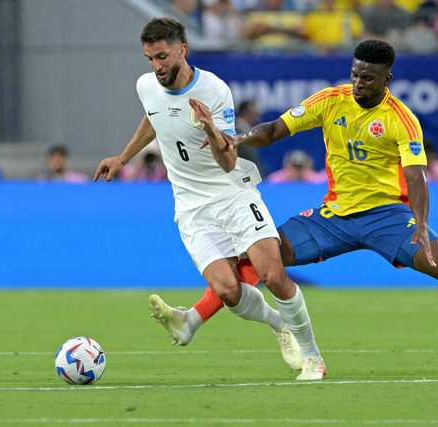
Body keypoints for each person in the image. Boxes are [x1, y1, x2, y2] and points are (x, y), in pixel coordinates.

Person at [154, 39, 438, 380]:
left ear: (387, 78)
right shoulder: (331, 100)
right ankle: (193, 321)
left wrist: (421, 224)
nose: (358, 83)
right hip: (334, 216)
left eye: (368, 77)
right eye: (355, 74)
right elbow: (272, 130)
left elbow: (416, 177)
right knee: (260, 257)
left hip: (388, 216)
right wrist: (238, 136)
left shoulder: (401, 120)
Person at [94, 17, 325, 380]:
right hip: (190, 208)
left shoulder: (215, 90)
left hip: (232, 195)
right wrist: (123, 158)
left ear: (181, 50)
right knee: (228, 291)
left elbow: (230, 159)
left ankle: (313, 358)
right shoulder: (147, 85)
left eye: (162, 57)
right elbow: (154, 117)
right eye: (150, 59)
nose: (156, 67)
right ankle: (281, 326)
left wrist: (211, 130)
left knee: (274, 276)